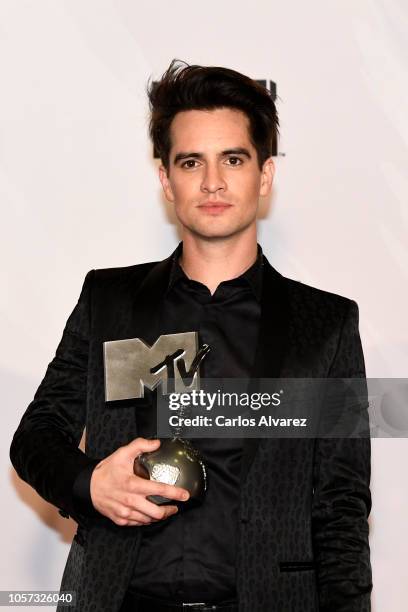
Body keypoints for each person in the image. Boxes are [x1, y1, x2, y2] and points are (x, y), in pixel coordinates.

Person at [10, 59, 372, 612]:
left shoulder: (325, 324)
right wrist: (89, 485)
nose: (213, 182)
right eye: (190, 162)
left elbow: (342, 506)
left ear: (264, 174)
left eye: (233, 159)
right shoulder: (110, 302)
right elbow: (36, 436)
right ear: (166, 179)